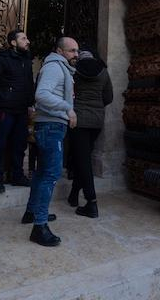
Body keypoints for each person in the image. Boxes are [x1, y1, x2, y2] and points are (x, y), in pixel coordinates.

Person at [21, 37, 79, 247]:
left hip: (51, 126)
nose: (76, 54)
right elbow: (42, 95)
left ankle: (32, 212)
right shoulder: (54, 67)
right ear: (60, 51)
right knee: (51, 174)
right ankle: (40, 226)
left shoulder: (61, 67)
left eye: (77, 51)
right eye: (71, 51)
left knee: (42, 172)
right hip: (51, 126)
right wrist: (68, 108)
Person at [0, 29, 35, 194]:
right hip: (4, 109)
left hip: (22, 110)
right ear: (13, 42)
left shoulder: (27, 59)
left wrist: (30, 104)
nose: (27, 41)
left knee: (19, 145)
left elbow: (29, 83)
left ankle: (17, 176)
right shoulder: (3, 59)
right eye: (24, 38)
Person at [66, 50, 113, 218]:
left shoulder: (73, 71)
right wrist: (97, 106)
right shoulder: (103, 72)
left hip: (78, 120)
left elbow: (67, 94)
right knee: (83, 159)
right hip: (96, 121)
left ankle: (91, 202)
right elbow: (109, 97)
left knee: (83, 160)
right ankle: (73, 194)